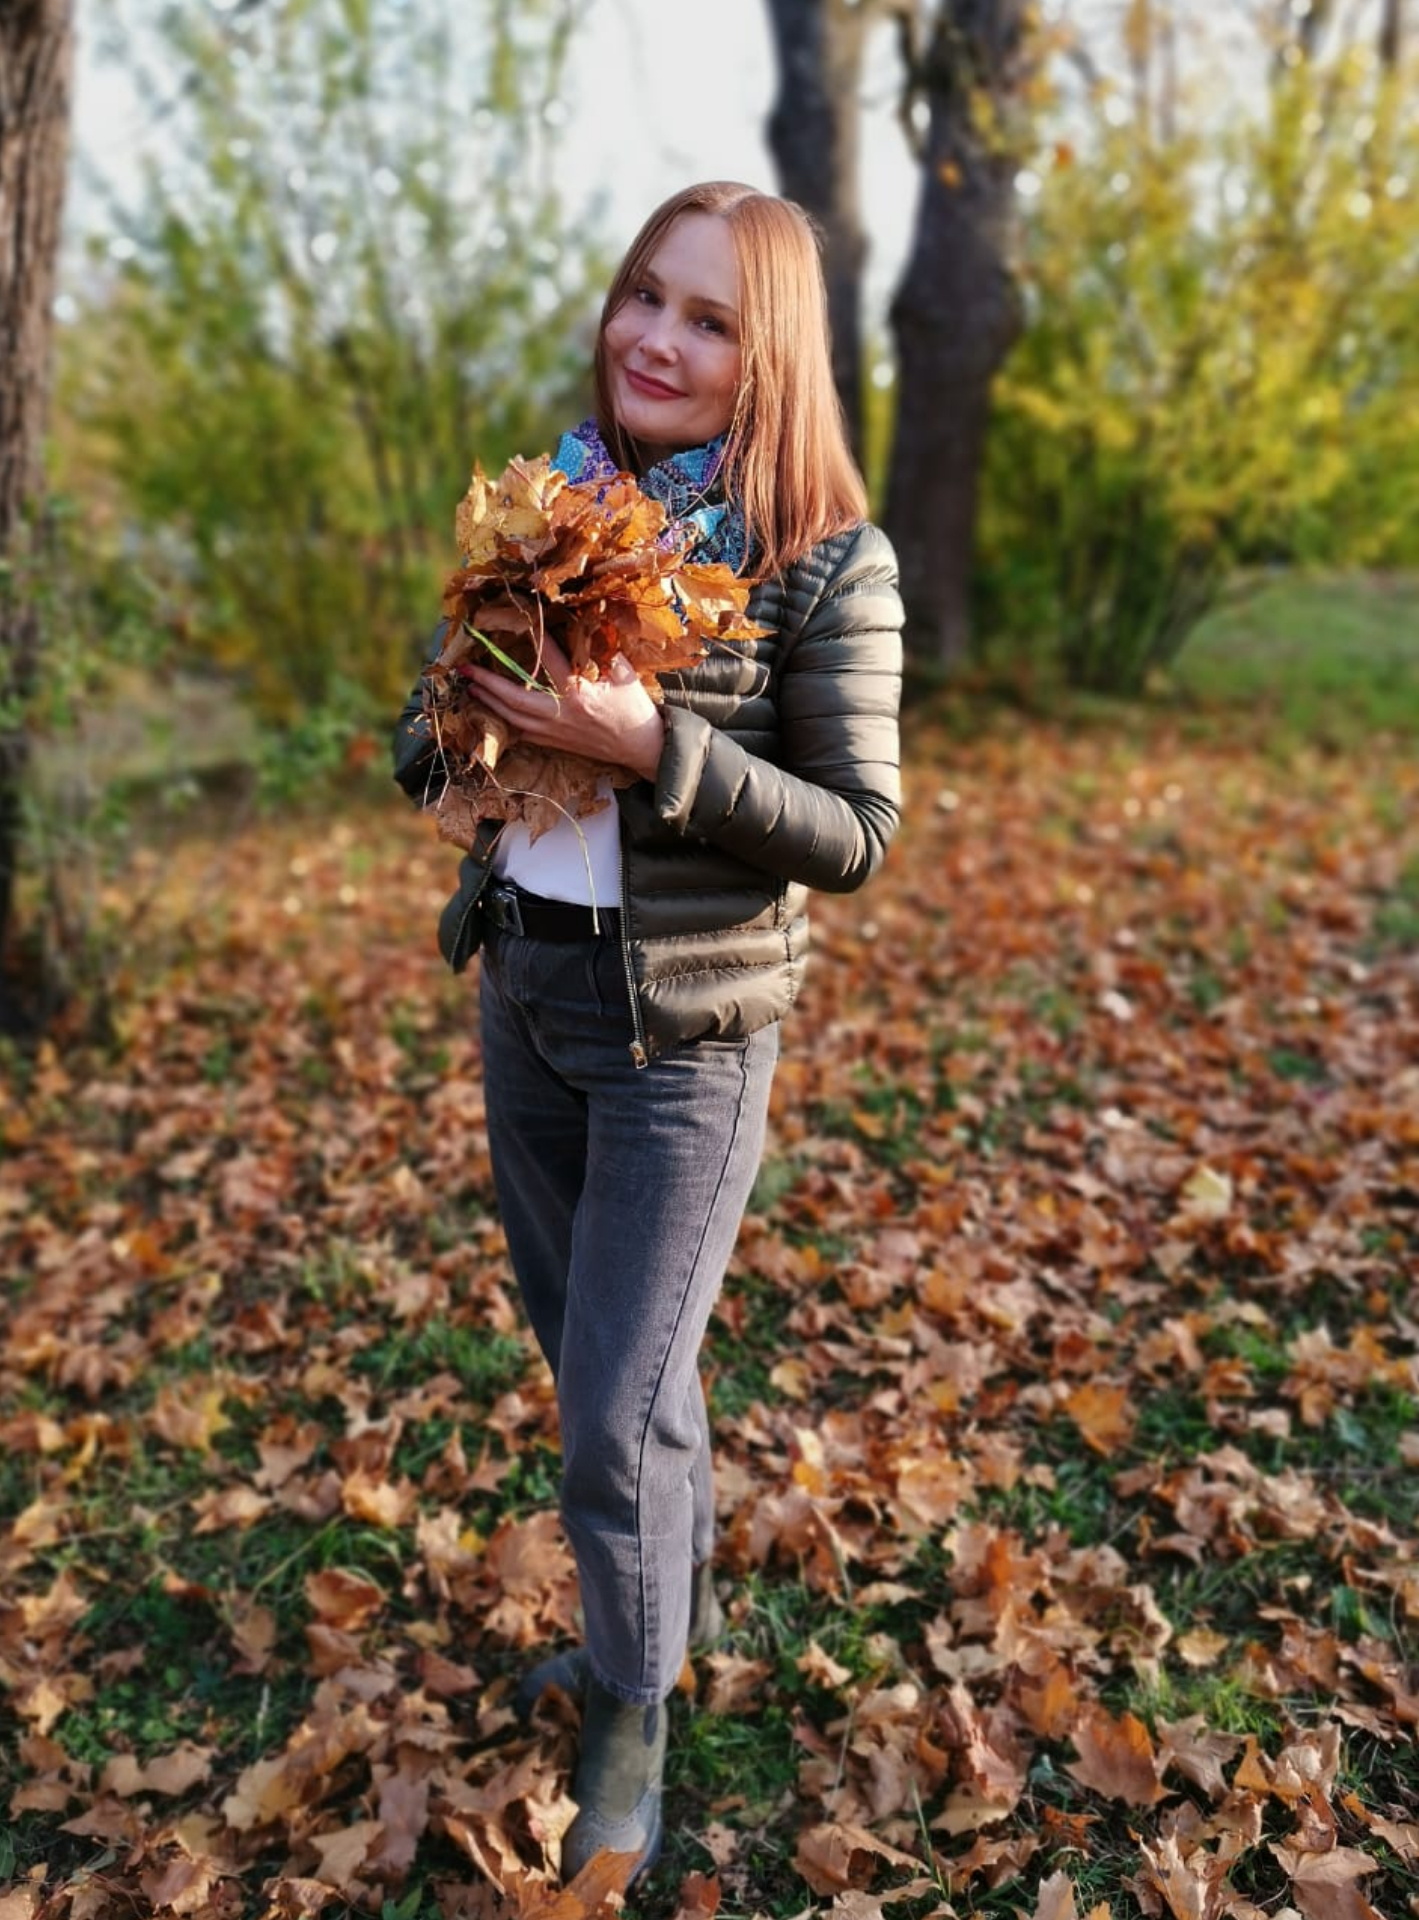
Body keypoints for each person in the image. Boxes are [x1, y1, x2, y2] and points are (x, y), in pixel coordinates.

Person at [392, 181, 904, 1886]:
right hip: (526, 997)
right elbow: (419, 741)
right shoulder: (544, 508)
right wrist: (457, 713)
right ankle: (665, 1612)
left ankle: (630, 1719)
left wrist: (647, 747)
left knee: (610, 1417)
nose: (656, 341)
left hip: (683, 1038)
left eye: (708, 321)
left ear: (772, 359)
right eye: (643, 298)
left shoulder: (822, 560)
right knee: (610, 1369)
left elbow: (855, 831)